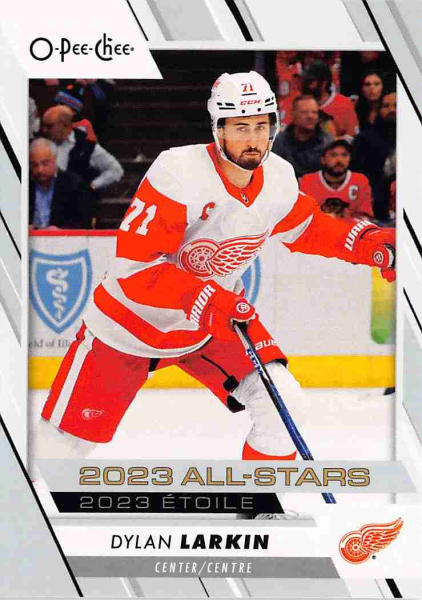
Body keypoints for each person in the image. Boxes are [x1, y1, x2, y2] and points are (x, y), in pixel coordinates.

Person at [34, 72, 395, 515]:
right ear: (218, 128)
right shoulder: (178, 171)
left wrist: (366, 243)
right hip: (128, 326)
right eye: (240, 127)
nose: (253, 139)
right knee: (63, 449)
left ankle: (258, 503)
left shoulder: (279, 177)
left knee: (284, 401)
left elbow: (309, 229)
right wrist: (208, 298)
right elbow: (135, 270)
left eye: (261, 126)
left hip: (208, 326)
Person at [40, 105, 124, 193]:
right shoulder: (40, 142)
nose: (44, 130)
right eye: (43, 126)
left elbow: (116, 170)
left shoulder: (85, 145)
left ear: (65, 124)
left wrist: (92, 186)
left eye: (49, 126)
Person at [300, 140, 374, 221]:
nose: (339, 160)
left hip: (350, 228)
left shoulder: (360, 181)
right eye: (333, 155)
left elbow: (365, 217)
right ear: (323, 159)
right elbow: (303, 216)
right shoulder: (308, 181)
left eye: (344, 155)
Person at [351, 90, 396, 222]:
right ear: (378, 110)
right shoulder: (363, 140)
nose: (392, 110)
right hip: (375, 206)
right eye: (386, 106)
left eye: (396, 105)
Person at [29, 138, 92, 229]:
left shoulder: (74, 184)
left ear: (55, 159)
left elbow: (84, 223)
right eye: (34, 165)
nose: (40, 170)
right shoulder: (24, 185)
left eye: (45, 163)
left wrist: (61, 231)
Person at [272, 95, 333, 178]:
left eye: (314, 112)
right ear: (293, 114)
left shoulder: (327, 143)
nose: (310, 116)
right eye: (304, 112)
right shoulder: (278, 143)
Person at [302, 60, 359, 139]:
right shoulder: (300, 103)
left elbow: (352, 137)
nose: (306, 85)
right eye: (305, 80)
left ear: (324, 83)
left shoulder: (344, 104)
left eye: (311, 82)